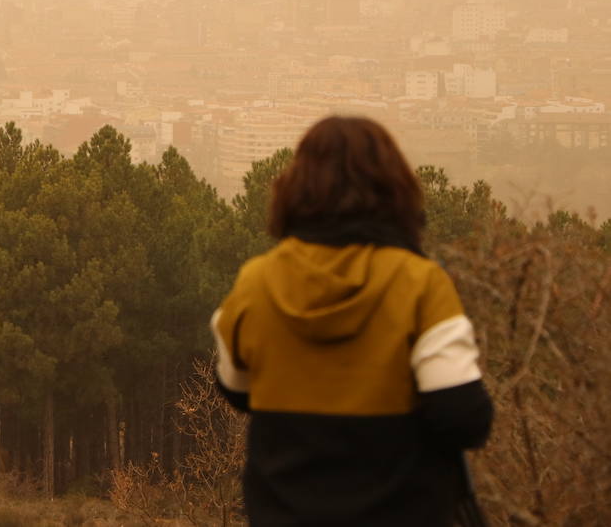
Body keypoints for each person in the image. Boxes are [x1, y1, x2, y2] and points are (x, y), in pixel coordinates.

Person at [211, 115, 493, 526]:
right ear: (395, 190)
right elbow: (464, 418)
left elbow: (236, 389)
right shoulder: (419, 283)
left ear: (294, 190)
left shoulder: (256, 282)